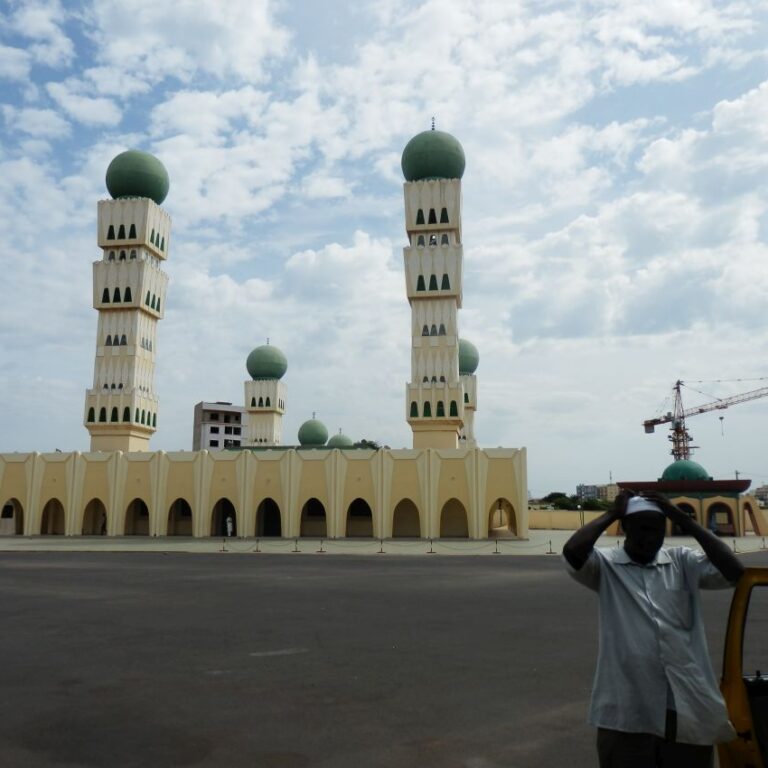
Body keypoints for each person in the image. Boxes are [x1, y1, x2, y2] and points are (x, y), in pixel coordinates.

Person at [563, 489, 744, 768]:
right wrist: (612, 512)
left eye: (658, 528)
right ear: (625, 528)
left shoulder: (682, 561)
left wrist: (685, 519)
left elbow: (734, 572)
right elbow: (573, 553)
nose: (651, 536)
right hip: (626, 709)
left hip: (686, 705)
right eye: (642, 528)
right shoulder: (606, 565)